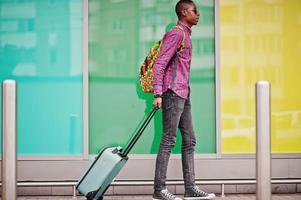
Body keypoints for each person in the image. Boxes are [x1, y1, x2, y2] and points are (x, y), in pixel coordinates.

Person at [152, 1, 216, 200]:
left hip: (183, 92)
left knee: (189, 140)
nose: (198, 14)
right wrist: (157, 93)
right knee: (168, 140)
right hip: (172, 93)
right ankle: (159, 190)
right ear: (184, 12)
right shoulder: (177, 33)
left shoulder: (186, 34)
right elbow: (159, 63)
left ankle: (190, 188)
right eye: (194, 11)